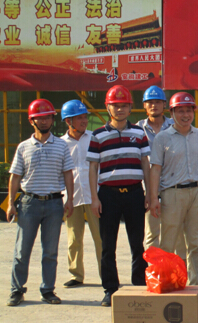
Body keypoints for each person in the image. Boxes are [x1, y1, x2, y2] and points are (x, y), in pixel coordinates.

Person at [6, 99, 74, 306]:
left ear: (53, 120)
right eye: (40, 118)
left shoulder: (62, 146)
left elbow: (68, 173)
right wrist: (10, 204)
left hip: (54, 204)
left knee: (50, 251)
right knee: (22, 250)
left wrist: (70, 200)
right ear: (31, 121)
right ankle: (17, 290)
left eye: (48, 117)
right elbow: (15, 177)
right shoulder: (23, 147)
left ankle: (48, 290)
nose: (44, 121)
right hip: (29, 203)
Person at [88, 85, 150, 307]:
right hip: (108, 195)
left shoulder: (139, 133)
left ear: (130, 108)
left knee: (137, 243)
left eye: (124, 105)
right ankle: (110, 289)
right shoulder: (98, 135)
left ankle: (139, 284)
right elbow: (93, 168)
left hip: (134, 193)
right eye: (116, 105)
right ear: (108, 107)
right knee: (108, 246)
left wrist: (149, 193)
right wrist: (95, 198)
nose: (120, 109)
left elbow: (145, 164)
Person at [149, 93, 198, 285]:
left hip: (197, 192)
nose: (185, 115)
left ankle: (194, 284)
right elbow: (155, 169)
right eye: (181, 111)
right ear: (172, 113)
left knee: (195, 242)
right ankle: (167, 282)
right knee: (168, 242)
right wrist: (153, 198)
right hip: (172, 193)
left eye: (189, 110)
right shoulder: (162, 138)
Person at [60, 100, 102, 288]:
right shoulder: (60, 144)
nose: (84, 121)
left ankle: (106, 274)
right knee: (73, 239)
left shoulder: (95, 138)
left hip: (95, 196)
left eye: (85, 117)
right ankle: (76, 275)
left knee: (101, 238)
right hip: (71, 197)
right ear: (68, 121)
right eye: (79, 118)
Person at [137, 86, 180, 257]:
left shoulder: (176, 126)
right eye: (150, 102)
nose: (154, 105)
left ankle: (174, 269)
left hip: (172, 186)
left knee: (175, 233)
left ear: (164, 104)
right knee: (151, 233)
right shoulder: (137, 129)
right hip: (148, 188)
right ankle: (154, 269)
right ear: (144, 105)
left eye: (157, 102)